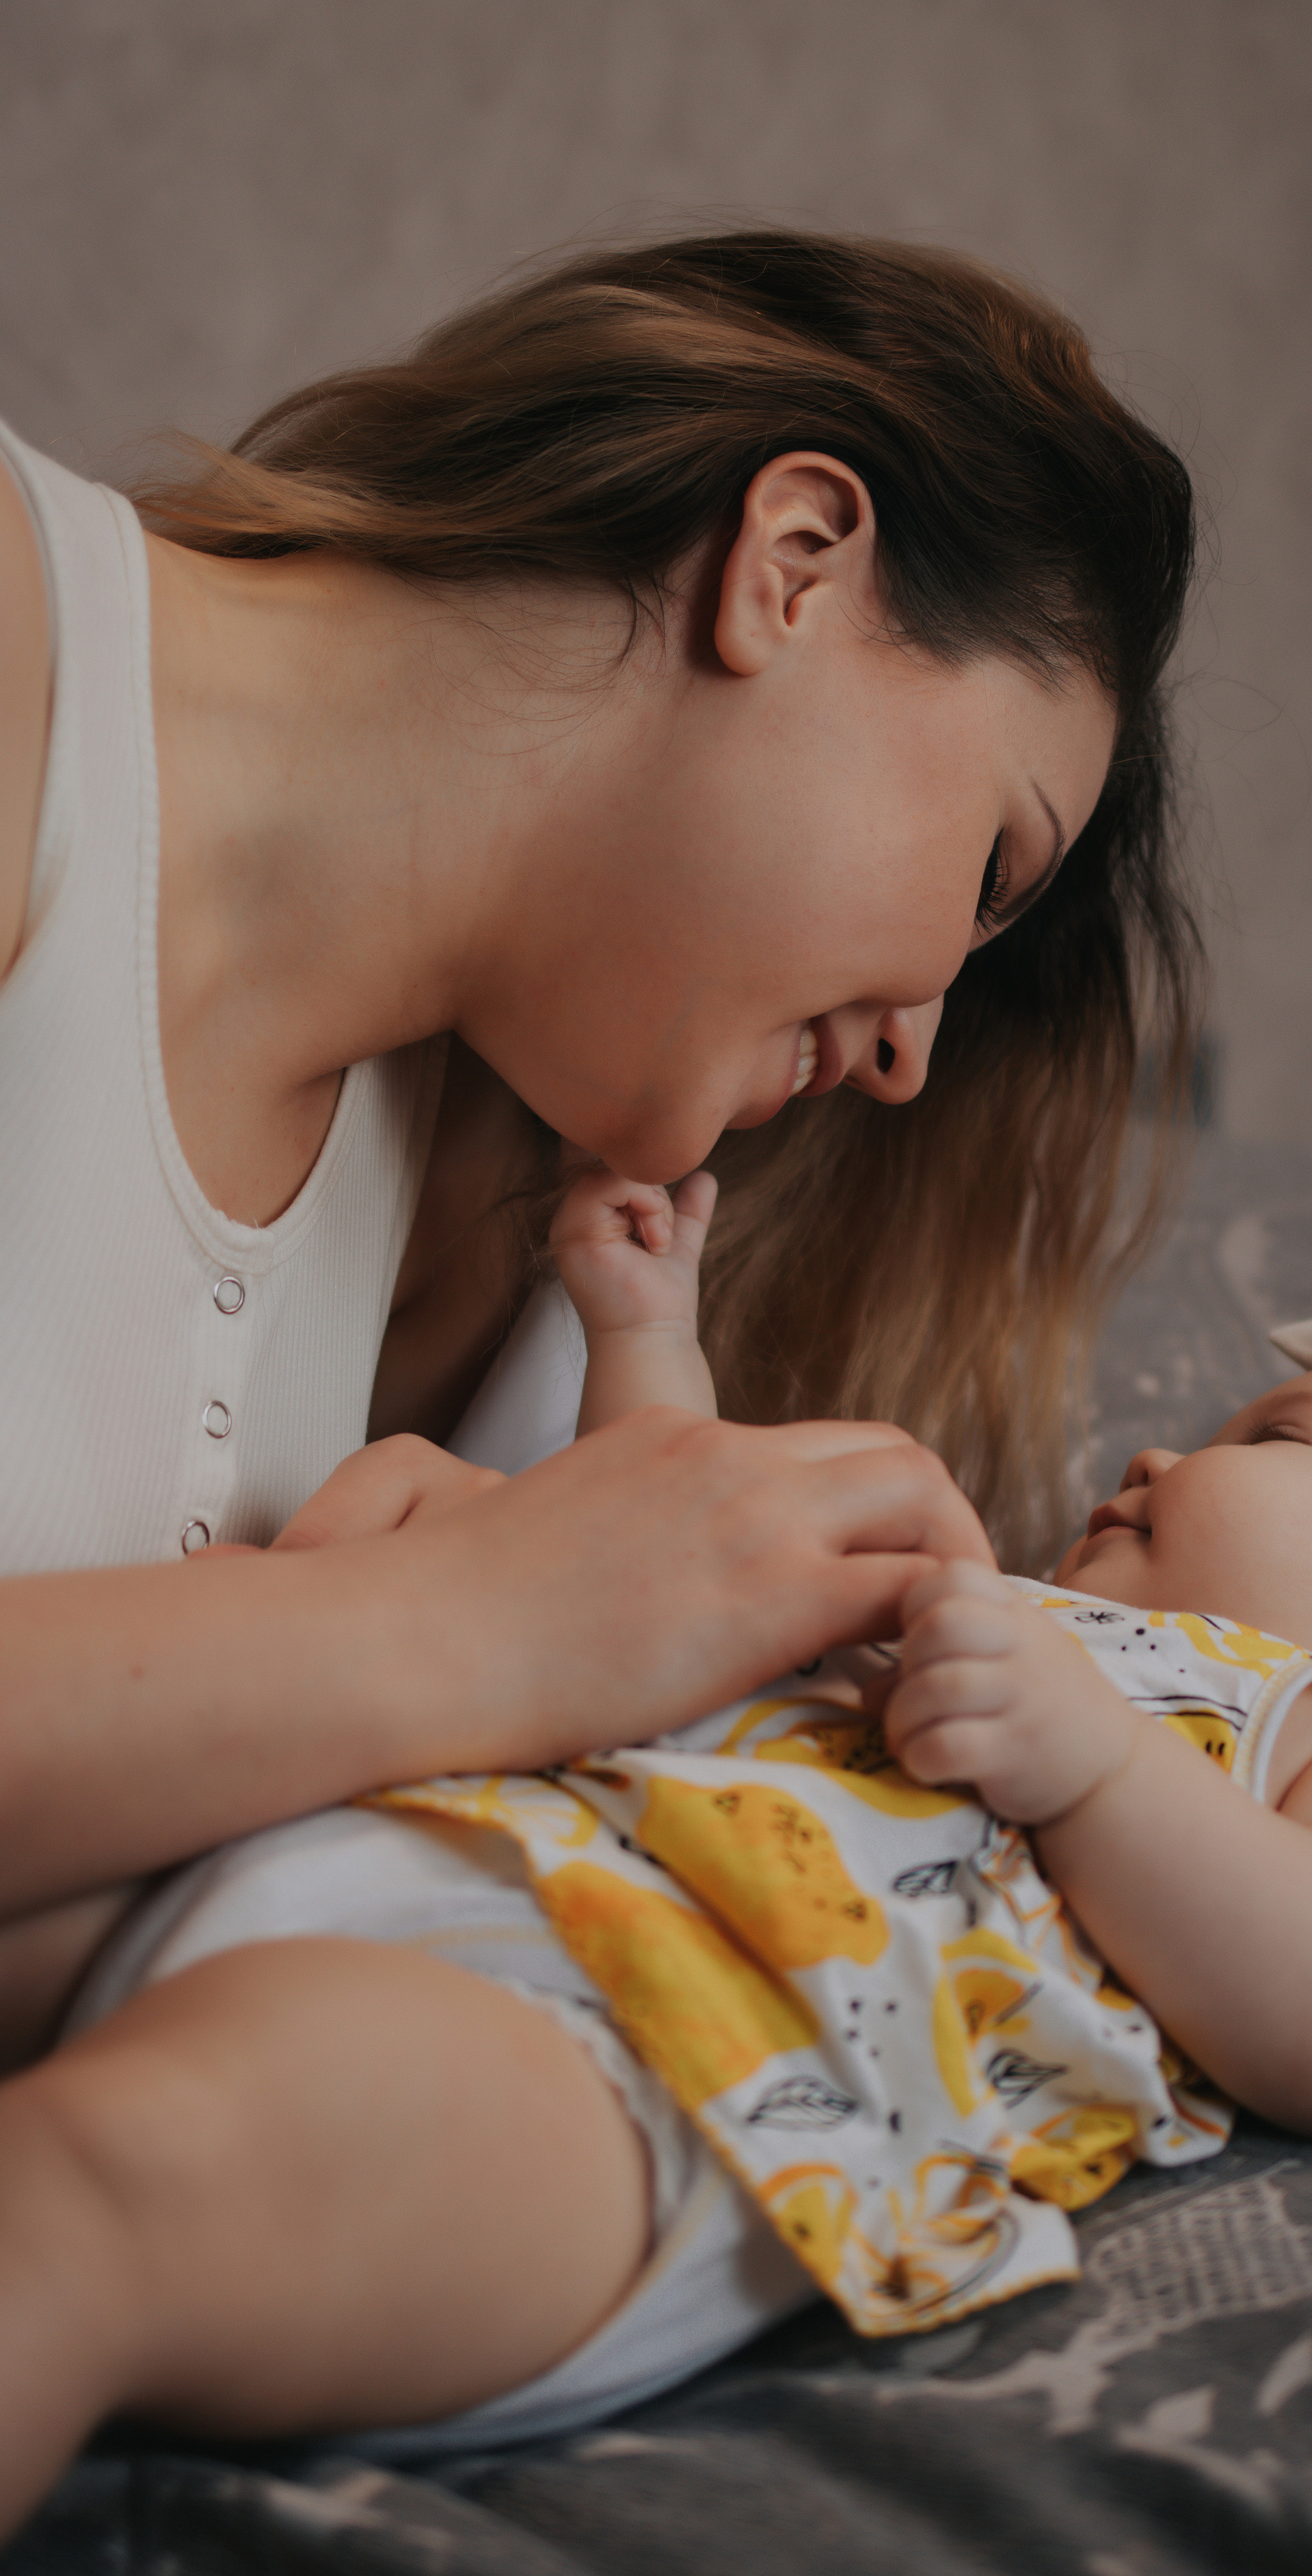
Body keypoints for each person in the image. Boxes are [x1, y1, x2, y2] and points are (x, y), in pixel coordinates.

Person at [0, 1177, 1312, 2532]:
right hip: (414, 1840)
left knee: (85, 2197)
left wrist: (1096, 1772)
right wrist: (646, 1335)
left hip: (645, 2062)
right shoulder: (1001, 1608)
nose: (1157, 1450)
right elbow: (674, 1568)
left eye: (1274, 1439)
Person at [0, 239, 1198, 2033]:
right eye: (988, 870)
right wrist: (482, 1626)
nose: (906, 1056)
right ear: (795, 565)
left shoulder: (498, 1192)